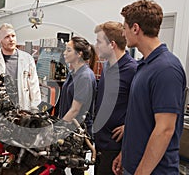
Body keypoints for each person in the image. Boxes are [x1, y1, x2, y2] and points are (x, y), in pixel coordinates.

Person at [112, 0, 186, 175]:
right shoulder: (144, 66)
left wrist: (141, 172)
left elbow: (165, 129)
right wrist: (125, 154)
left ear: (136, 28)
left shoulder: (166, 69)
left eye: (125, 28)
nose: (123, 33)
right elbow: (140, 119)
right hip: (135, 165)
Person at [0, 23, 41, 174]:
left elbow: (34, 87)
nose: (11, 39)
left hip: (22, 114)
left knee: (21, 154)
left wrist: (35, 111)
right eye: (7, 36)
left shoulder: (27, 59)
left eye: (13, 36)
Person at [93, 21, 137, 175]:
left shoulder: (132, 70)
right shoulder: (107, 66)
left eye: (99, 42)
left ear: (112, 44)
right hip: (100, 143)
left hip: (116, 147)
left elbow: (143, 108)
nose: (96, 46)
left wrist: (129, 126)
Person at [58, 36, 97, 175]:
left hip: (78, 134)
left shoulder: (85, 76)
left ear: (79, 54)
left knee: (76, 170)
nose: (64, 53)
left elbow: (75, 109)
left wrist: (56, 130)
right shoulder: (73, 73)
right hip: (68, 129)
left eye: (68, 50)